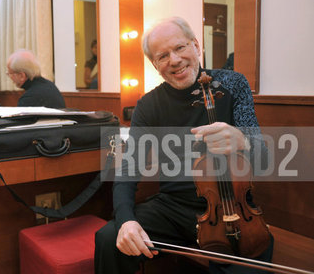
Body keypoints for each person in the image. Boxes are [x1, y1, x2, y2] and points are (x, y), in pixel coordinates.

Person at [94, 17, 272, 274]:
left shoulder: (233, 85)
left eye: (180, 48)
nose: (174, 60)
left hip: (232, 210)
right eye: (163, 56)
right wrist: (126, 221)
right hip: (173, 209)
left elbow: (263, 160)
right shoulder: (148, 105)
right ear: (155, 65)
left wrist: (243, 141)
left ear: (196, 46)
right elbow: (128, 169)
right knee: (109, 238)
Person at [0, 49, 65, 109]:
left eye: (10, 73)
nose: (9, 77)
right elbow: (18, 114)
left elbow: (16, 124)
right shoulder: (48, 85)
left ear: (21, 76)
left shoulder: (31, 96)